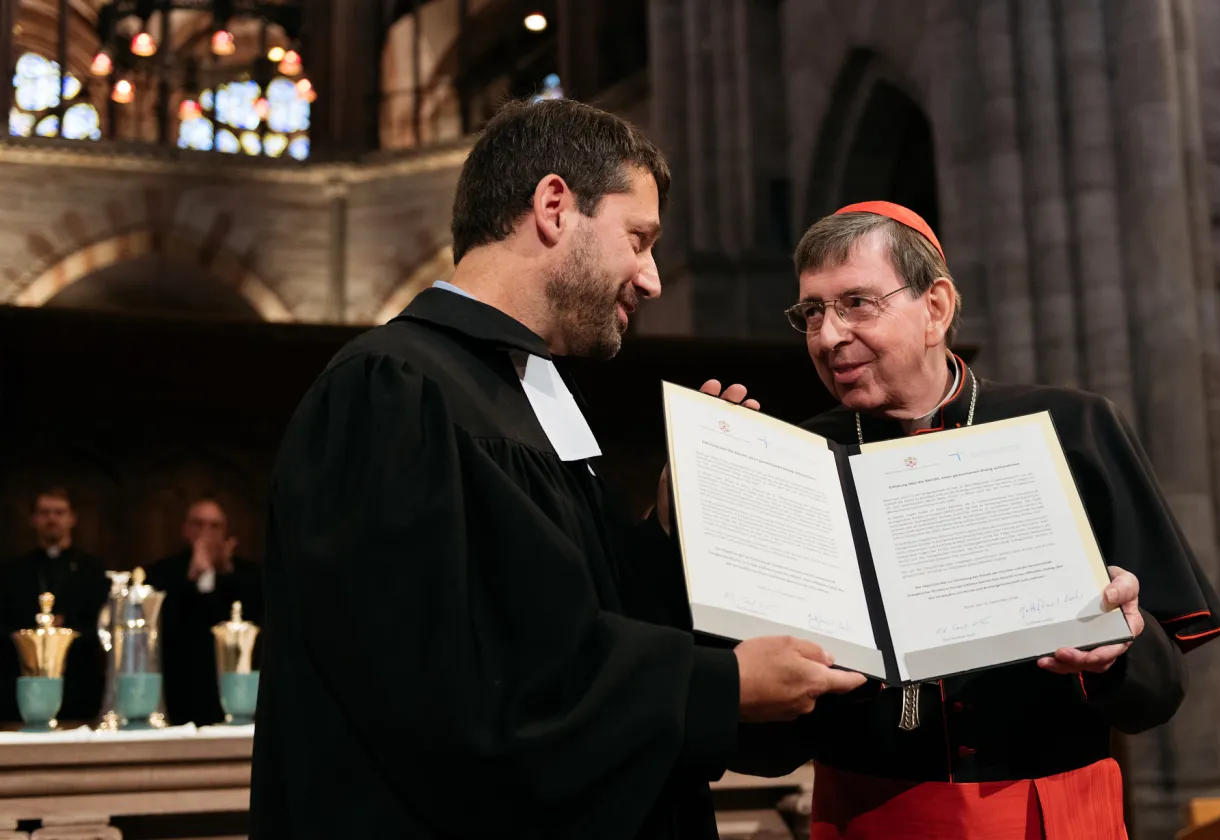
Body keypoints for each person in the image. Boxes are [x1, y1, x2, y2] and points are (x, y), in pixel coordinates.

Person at [249, 98, 864, 840]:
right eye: (639, 239)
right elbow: (454, 691)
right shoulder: (391, 389)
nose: (652, 279)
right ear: (553, 206)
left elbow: (574, 606)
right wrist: (719, 686)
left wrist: (672, 524)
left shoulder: (533, 390)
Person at [728, 202, 1220, 839]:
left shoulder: (1071, 429)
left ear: (935, 307)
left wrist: (1121, 649)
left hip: (1049, 818)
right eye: (812, 313)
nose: (828, 337)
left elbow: (1158, 697)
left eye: (856, 303)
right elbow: (766, 740)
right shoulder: (800, 462)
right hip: (869, 820)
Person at [147, 498, 263, 726]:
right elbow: (166, 627)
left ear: (226, 532)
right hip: (180, 684)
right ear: (185, 530)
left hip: (232, 685)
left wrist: (224, 573)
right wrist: (193, 577)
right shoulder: (163, 573)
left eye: (214, 526)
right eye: (198, 524)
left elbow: (254, 622)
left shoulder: (248, 574)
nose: (206, 532)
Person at [0, 488, 109, 723]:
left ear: (72, 518)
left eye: (59, 512)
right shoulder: (15, 571)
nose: (52, 519)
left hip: (78, 680)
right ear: (34, 520)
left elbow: (102, 624)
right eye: (45, 512)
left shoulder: (91, 569)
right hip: (25, 678)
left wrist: (65, 630)